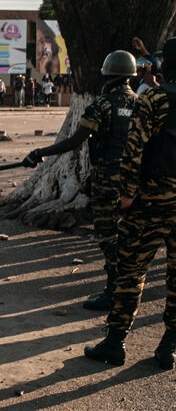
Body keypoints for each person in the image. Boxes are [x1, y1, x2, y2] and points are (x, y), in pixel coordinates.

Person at [85, 38, 176, 370]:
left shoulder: (153, 98)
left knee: (130, 273)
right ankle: (168, 346)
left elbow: (133, 151)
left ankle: (115, 342)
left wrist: (126, 196)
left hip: (151, 203)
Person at [24, 50, 138, 310]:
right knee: (131, 236)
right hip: (135, 179)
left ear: (107, 76)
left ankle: (115, 292)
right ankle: (129, 288)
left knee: (108, 236)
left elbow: (76, 141)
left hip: (108, 178)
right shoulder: (141, 103)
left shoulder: (102, 105)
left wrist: (40, 153)